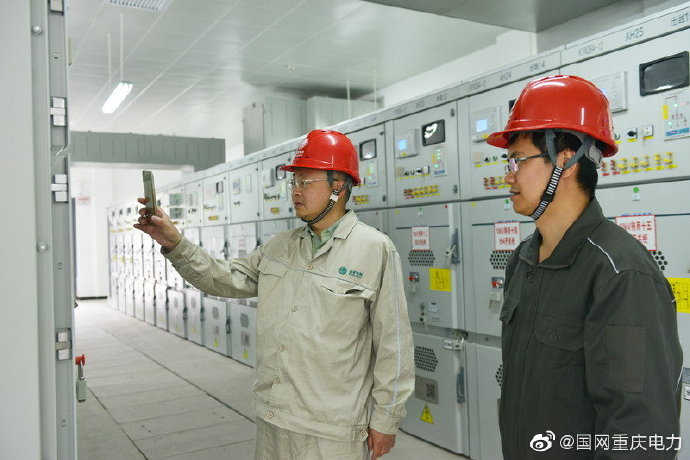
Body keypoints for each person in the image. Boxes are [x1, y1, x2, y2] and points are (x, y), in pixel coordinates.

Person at [134, 129, 414, 460]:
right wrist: (174, 242)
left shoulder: (375, 249)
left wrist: (386, 419)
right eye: (293, 181)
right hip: (274, 417)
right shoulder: (280, 246)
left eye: (305, 181)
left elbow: (394, 343)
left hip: (333, 429)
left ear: (338, 186)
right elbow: (225, 279)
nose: (295, 190)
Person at [486, 75, 682, 459]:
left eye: (518, 159)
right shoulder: (523, 259)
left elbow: (639, 427)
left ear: (566, 160)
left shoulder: (620, 274)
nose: (508, 175)